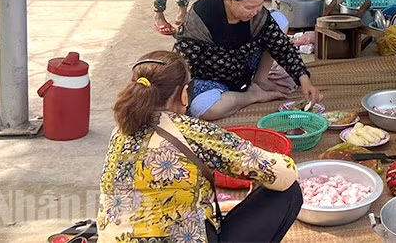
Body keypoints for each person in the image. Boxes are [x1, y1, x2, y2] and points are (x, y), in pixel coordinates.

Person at [97, 50, 302, 242]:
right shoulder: (193, 131)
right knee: (289, 191)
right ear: (185, 93)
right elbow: (284, 174)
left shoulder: (121, 129)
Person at [174, 0, 323, 120]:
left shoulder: (258, 16)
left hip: (246, 69)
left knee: (278, 20)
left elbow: (282, 46)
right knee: (202, 107)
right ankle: (253, 95)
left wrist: (305, 81)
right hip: (211, 79)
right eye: (249, 7)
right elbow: (181, 60)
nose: (255, 12)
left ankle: (260, 81)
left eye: (259, 5)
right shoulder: (201, 16)